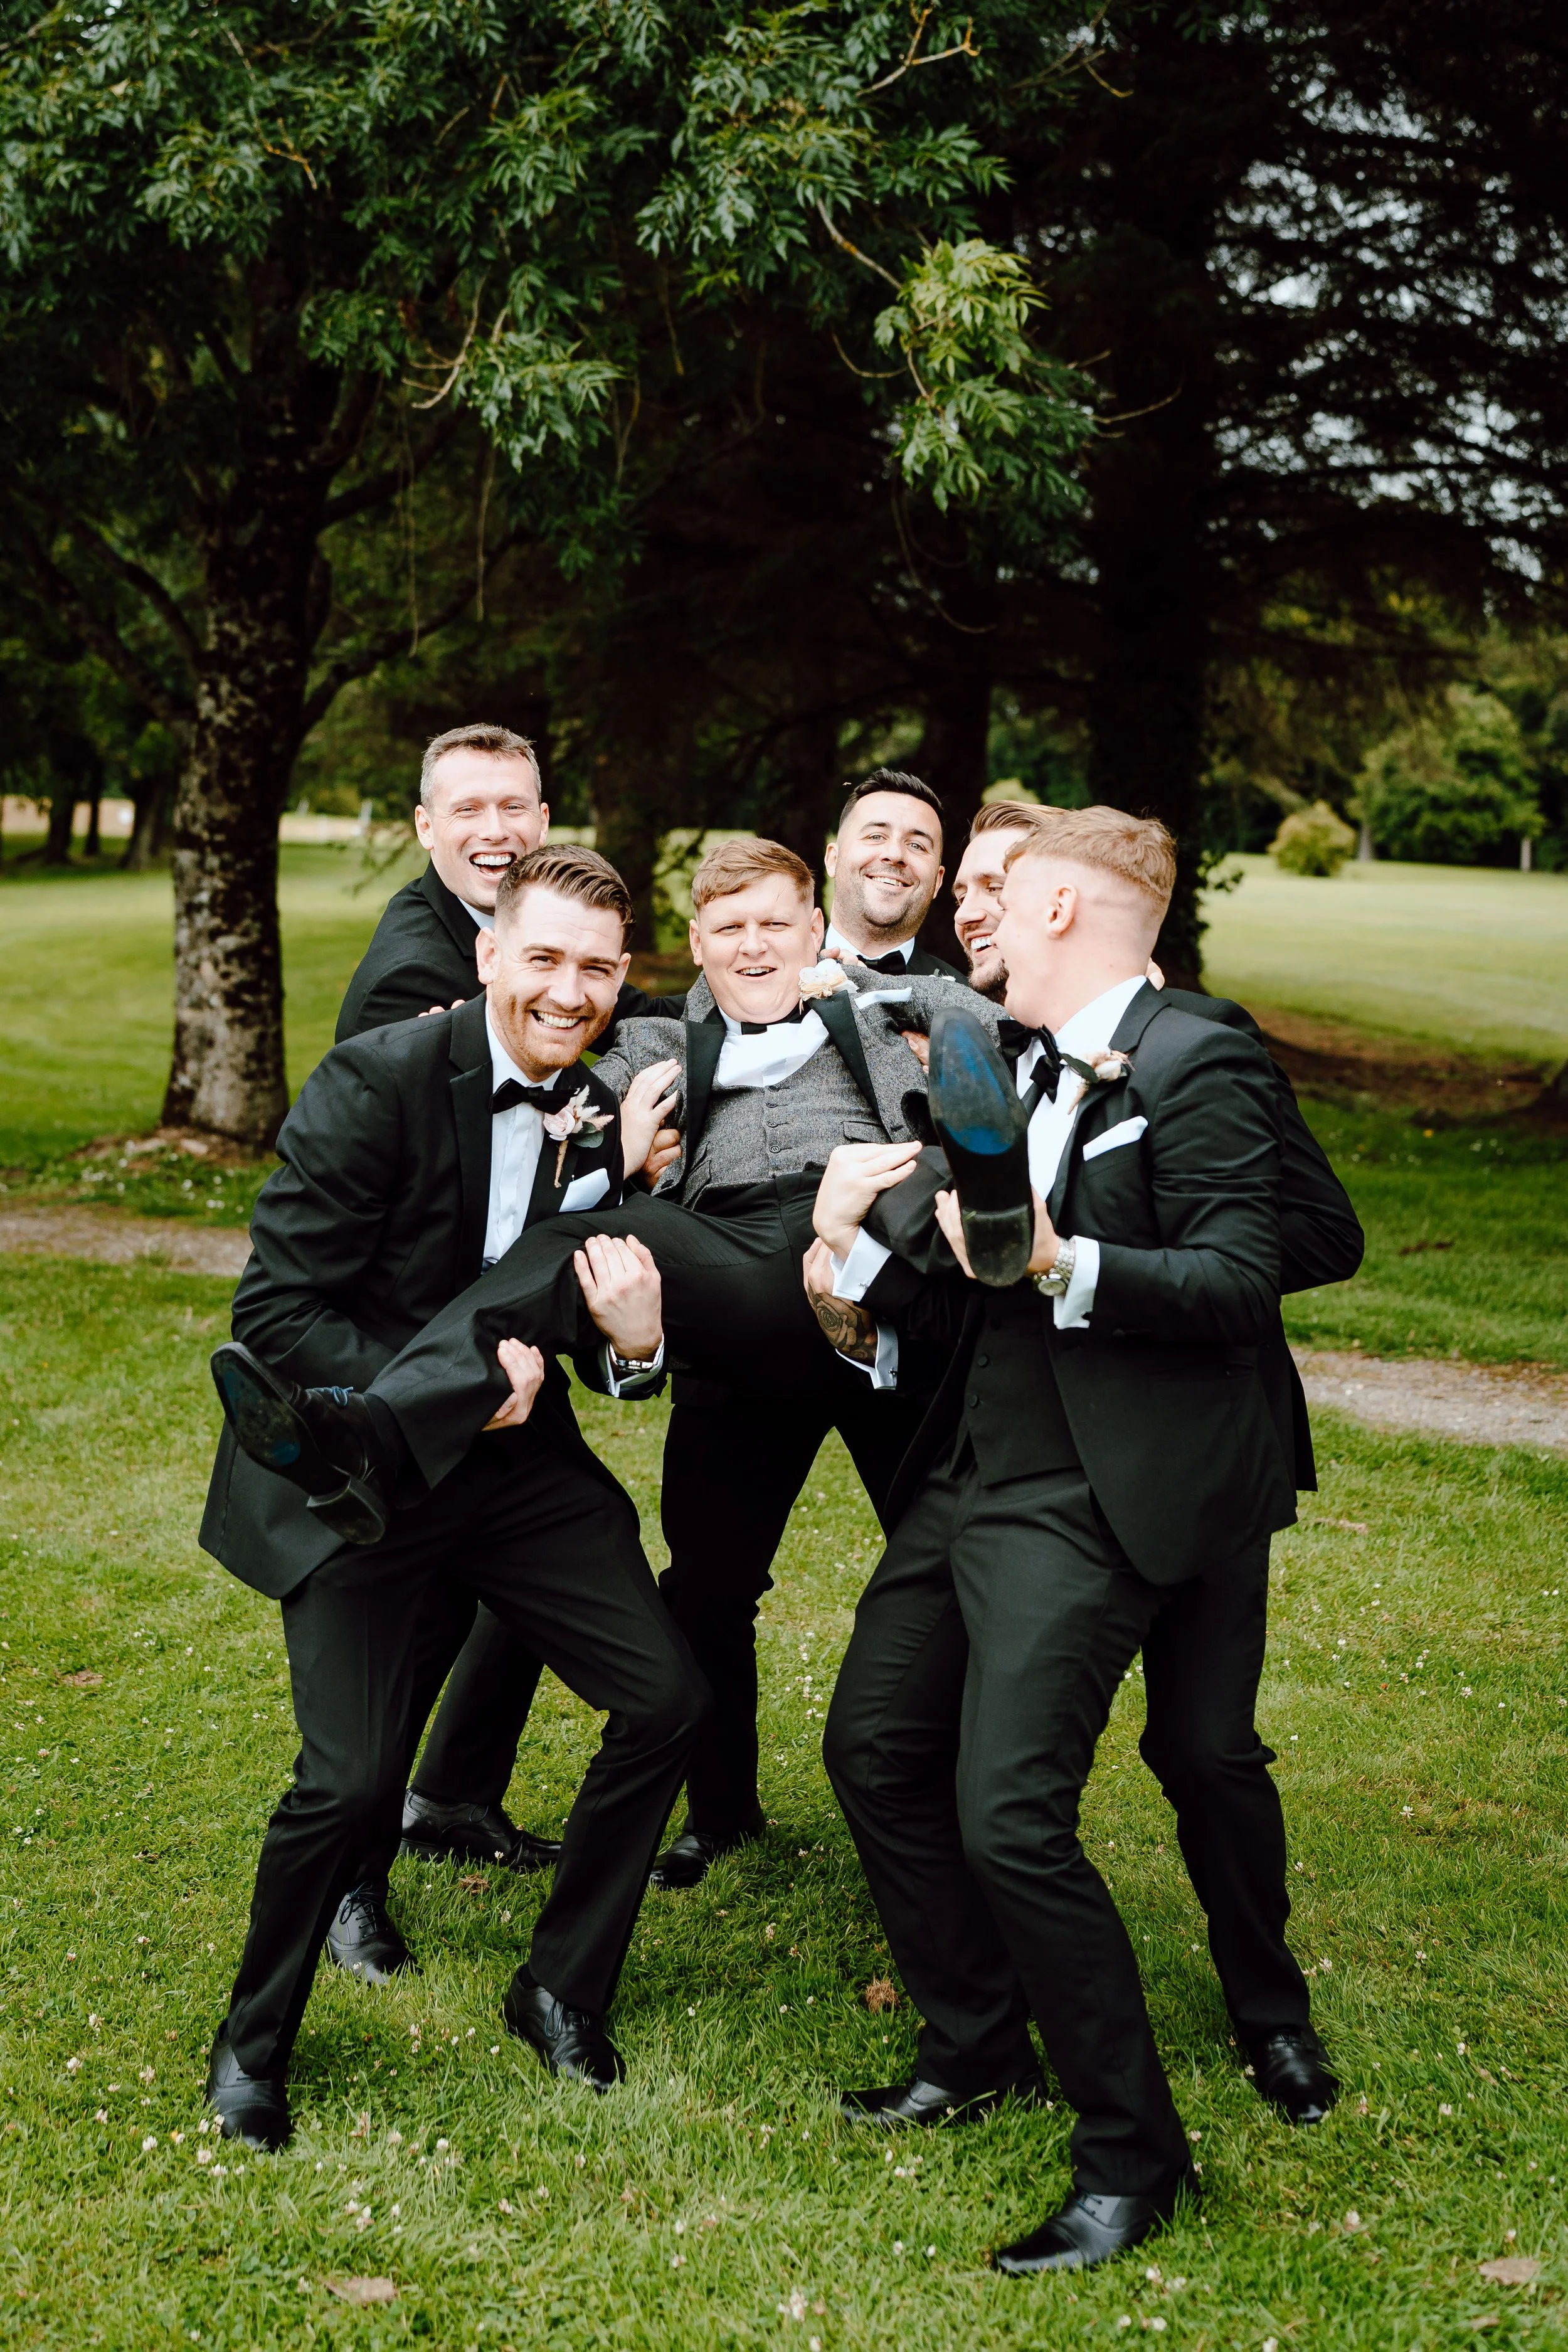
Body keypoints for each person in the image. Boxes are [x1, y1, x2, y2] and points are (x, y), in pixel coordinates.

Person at [212, 835, 1000, 1889]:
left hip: (882, 1282)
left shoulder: (891, 1019)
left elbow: (1005, 1031)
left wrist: (883, 1001)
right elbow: (551, 1084)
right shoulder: (656, 1041)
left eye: (778, 925)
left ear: (817, 933)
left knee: (955, 1568)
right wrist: (615, 1151)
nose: (755, 945)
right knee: (707, 1583)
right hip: (737, 1293)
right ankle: (719, 1811)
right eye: (729, 929)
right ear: (694, 949)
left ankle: (960, 1804)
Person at [817, 805, 1303, 2275]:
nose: (982, 925)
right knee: (873, 1746)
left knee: (1011, 1812)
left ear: (1069, 918)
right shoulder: (1006, 1056)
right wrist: (844, 1250)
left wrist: (1064, 1257)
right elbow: (957, 1252)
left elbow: (1241, 1269)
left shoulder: (1200, 1058)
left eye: (1004, 904)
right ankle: (972, 2043)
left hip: (1094, 1487)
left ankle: (1132, 2151)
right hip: (974, 1462)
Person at [201, 847, 709, 2149]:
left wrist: (635, 1344)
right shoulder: (378, 1082)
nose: (569, 988)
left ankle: (558, 1983)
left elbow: (588, 1343)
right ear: (487, 954)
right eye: (542, 956)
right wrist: (453, 1390)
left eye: (597, 967)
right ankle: (253, 2045)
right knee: (350, 1782)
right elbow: (274, 1315)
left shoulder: (598, 1114)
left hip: (515, 1474)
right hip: (358, 1468)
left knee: (666, 1701)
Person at [336, 722, 686, 1041]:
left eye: (513, 808)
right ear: (425, 827)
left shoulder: (531, 915)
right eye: (467, 809)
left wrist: (732, 966)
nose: (495, 831)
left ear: (543, 822)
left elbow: (647, 1025)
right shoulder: (410, 981)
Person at [822, 769, 964, 977]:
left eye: (917, 845)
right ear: (833, 860)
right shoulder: (775, 973)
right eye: (876, 836)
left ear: (938, 881)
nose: (895, 854)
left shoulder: (966, 1001)